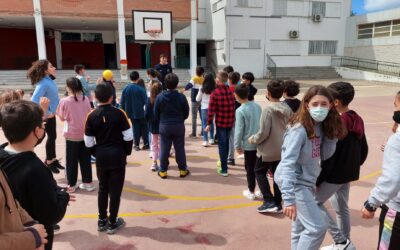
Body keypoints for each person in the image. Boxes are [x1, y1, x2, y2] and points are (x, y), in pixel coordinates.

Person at [274, 85, 346, 250]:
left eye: (323, 104)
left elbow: (323, 155)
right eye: (315, 104)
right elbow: (287, 164)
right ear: (306, 105)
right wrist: (288, 198)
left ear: (331, 105)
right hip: (295, 182)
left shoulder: (320, 126)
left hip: (306, 181)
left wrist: (332, 134)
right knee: (316, 228)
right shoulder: (299, 130)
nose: (319, 108)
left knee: (300, 226)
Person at [0, 100, 72, 250]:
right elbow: (51, 215)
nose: (44, 125)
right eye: (42, 124)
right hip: (34, 238)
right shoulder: (36, 170)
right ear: (37, 131)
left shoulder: (3, 153)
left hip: (11, 229)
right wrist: (62, 196)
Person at [317, 82, 368, 250]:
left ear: (336, 102)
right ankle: (345, 243)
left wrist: (318, 180)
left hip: (335, 174)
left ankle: (341, 241)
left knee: (314, 203)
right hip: (349, 171)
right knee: (341, 207)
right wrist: (354, 165)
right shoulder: (357, 117)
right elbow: (364, 148)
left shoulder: (336, 122)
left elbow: (330, 157)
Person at [84, 83, 133, 234]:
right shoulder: (120, 113)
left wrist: (96, 152)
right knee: (115, 191)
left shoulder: (91, 116)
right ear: (112, 97)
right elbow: (128, 136)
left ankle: (101, 220)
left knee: (103, 189)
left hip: (101, 156)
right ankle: (112, 222)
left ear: (95, 98)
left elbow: (88, 141)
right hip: (117, 155)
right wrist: (125, 152)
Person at [361, 92, 400, 250]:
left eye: (396, 105)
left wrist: (372, 203)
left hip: (396, 211)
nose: (395, 109)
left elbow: (392, 179)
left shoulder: (397, 141)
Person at [248, 80, 292, 212]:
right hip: (282, 148)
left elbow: (263, 132)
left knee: (259, 171)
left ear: (268, 93)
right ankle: (278, 203)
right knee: (277, 175)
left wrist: (253, 139)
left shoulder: (268, 109)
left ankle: (268, 200)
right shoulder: (287, 108)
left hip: (267, 149)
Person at [56, 77, 95, 193]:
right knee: (85, 159)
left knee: (71, 161)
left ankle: (71, 185)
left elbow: (62, 118)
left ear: (69, 88)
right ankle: (88, 183)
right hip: (84, 133)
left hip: (71, 135)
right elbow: (89, 114)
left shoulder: (64, 101)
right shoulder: (86, 99)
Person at [28, 59, 65, 174]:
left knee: (52, 137)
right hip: (46, 116)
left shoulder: (49, 80)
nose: (54, 68)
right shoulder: (43, 83)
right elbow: (34, 100)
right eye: (52, 66)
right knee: (43, 137)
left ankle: (52, 159)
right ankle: (48, 161)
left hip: (51, 115)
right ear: (45, 71)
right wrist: (47, 112)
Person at [154, 73, 190, 179]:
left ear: (165, 84)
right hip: (178, 125)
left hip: (164, 125)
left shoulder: (160, 97)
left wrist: (162, 120)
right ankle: (183, 170)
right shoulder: (181, 97)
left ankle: (163, 170)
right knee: (179, 148)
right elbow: (186, 113)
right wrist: (180, 119)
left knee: (164, 148)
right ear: (177, 84)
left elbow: (156, 113)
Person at [234, 84, 262, 200]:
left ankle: (251, 191)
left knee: (250, 169)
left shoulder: (240, 110)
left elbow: (239, 129)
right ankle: (261, 189)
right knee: (260, 169)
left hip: (248, 144)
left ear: (236, 96)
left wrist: (237, 145)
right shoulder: (257, 106)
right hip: (260, 142)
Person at [205, 71, 235, 177]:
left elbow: (211, 110)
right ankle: (224, 163)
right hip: (230, 121)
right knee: (226, 143)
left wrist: (208, 123)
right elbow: (232, 107)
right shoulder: (231, 91)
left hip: (221, 122)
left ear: (217, 80)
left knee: (223, 145)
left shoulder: (215, 93)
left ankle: (224, 168)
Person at [120, 71, 149, 151]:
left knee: (135, 127)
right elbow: (145, 101)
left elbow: (122, 102)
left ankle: (136, 145)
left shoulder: (126, 88)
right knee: (144, 127)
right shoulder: (141, 89)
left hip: (130, 112)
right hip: (141, 111)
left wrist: (123, 111)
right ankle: (146, 143)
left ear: (130, 78)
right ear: (138, 78)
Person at [145, 82, 163, 171]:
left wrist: (148, 122)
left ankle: (154, 162)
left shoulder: (149, 100)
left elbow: (146, 114)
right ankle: (163, 161)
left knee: (154, 144)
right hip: (163, 124)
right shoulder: (163, 99)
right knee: (162, 144)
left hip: (153, 125)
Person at [184, 66, 205, 138]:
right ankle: (203, 132)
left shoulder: (194, 78)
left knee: (194, 117)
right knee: (202, 116)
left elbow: (189, 85)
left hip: (194, 100)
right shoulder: (203, 79)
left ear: (196, 72)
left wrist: (184, 89)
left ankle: (193, 133)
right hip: (202, 99)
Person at [196, 73, 216, 147]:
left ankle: (205, 140)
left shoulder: (202, 88)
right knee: (211, 123)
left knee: (204, 123)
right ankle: (211, 139)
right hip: (213, 107)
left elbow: (197, 99)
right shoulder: (215, 88)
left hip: (204, 107)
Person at [227, 72, 241, 165]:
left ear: (230, 80)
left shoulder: (227, 90)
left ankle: (231, 158)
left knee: (231, 137)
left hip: (230, 115)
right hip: (240, 113)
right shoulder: (240, 89)